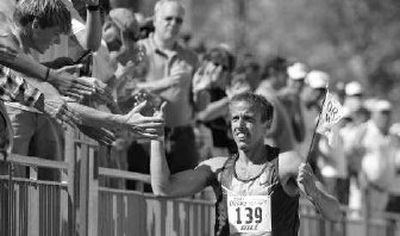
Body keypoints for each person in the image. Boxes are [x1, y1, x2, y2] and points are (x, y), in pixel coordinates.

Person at [150, 93, 341, 235]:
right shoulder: (218, 168)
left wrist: (314, 193)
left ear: (267, 124)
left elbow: (335, 214)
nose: (240, 125)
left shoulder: (286, 164)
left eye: (248, 118)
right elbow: (164, 188)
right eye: (235, 118)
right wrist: (156, 137)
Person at [129, 0, 211, 177]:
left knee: (183, 197)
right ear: (155, 19)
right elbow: (125, 90)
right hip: (145, 134)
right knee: (145, 192)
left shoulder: (191, 57)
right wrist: (165, 83)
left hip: (182, 137)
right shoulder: (138, 50)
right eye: (168, 18)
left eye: (179, 20)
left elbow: (201, 107)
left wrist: (201, 90)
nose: (173, 24)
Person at [255, 56, 297, 152]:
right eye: (284, 70)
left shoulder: (271, 95)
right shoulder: (265, 96)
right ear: (272, 72)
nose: (287, 75)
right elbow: (269, 132)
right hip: (276, 161)